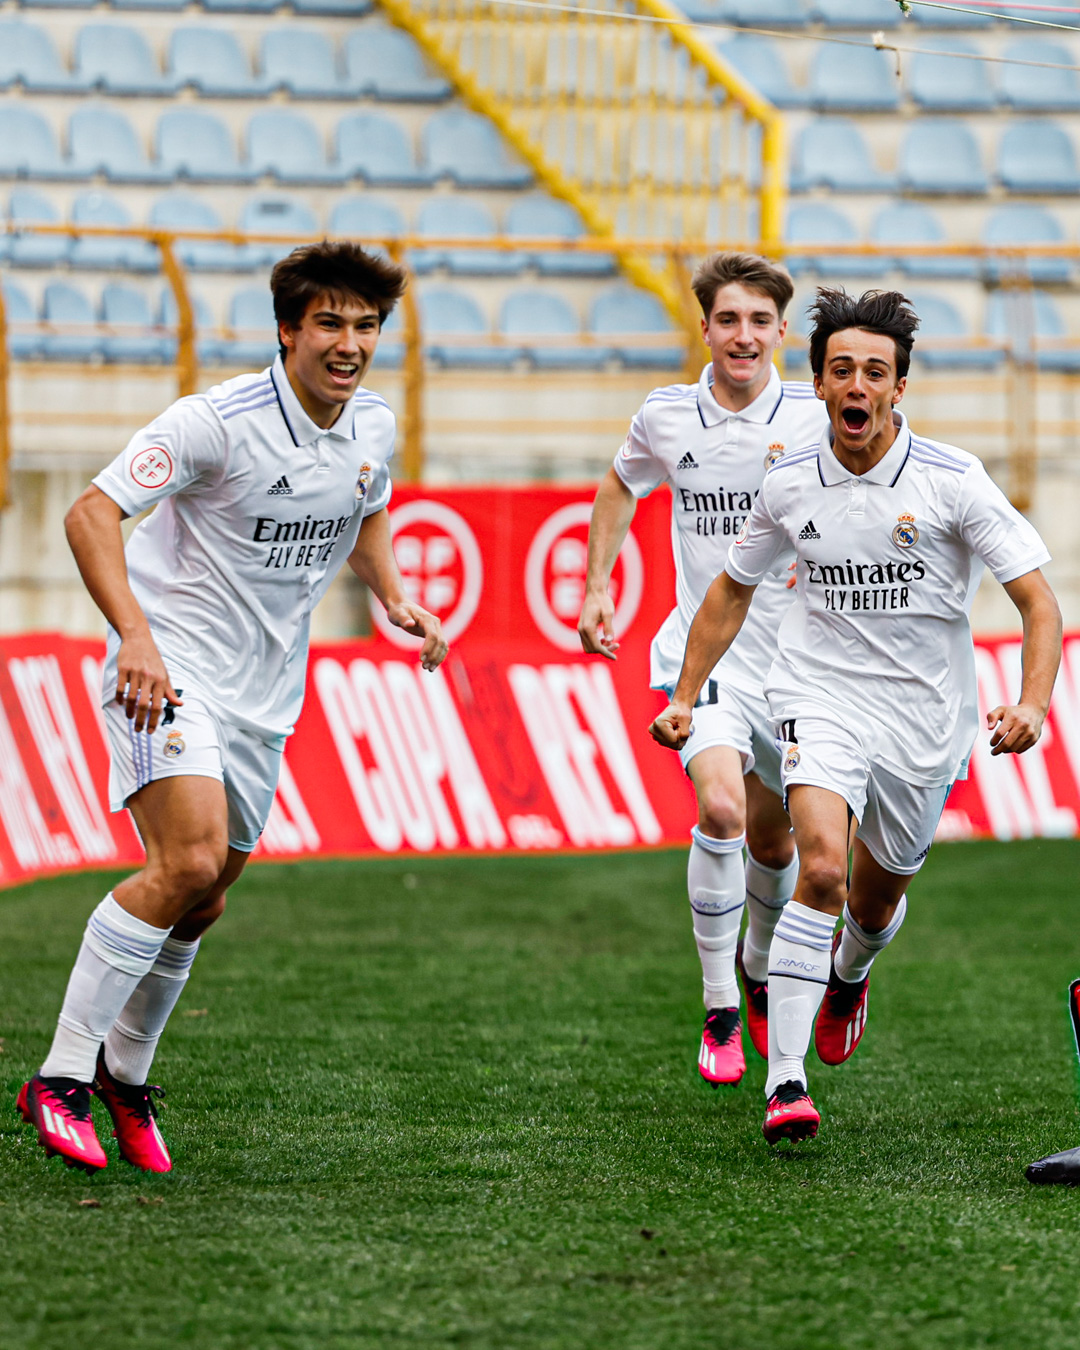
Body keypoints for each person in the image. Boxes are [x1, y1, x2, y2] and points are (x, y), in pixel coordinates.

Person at [18, 242, 447, 1174]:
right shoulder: (216, 421)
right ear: (288, 329)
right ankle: (58, 1079)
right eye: (329, 323)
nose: (350, 344)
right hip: (168, 674)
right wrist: (133, 634)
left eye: (366, 326)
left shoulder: (371, 425)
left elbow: (365, 509)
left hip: (265, 700)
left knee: (206, 897)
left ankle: (126, 1082)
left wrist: (394, 595)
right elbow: (91, 513)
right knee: (189, 859)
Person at [649, 288, 1061, 1144]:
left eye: (876, 371)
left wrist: (1030, 700)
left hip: (924, 718)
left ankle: (850, 975)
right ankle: (787, 1081)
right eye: (842, 370)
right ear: (820, 382)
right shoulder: (790, 482)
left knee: (872, 904)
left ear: (899, 388)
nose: (858, 386)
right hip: (816, 695)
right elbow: (731, 589)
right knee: (823, 871)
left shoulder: (954, 481)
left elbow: (1038, 603)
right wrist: (687, 695)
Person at [578, 252, 828, 1087]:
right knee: (720, 808)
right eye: (729, 319)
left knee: (772, 836)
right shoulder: (667, 416)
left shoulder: (818, 415)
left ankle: (757, 970)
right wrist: (597, 588)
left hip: (795, 668)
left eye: (760, 321)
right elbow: (619, 486)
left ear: (782, 332)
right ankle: (722, 1004)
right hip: (703, 652)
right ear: (706, 327)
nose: (744, 335)